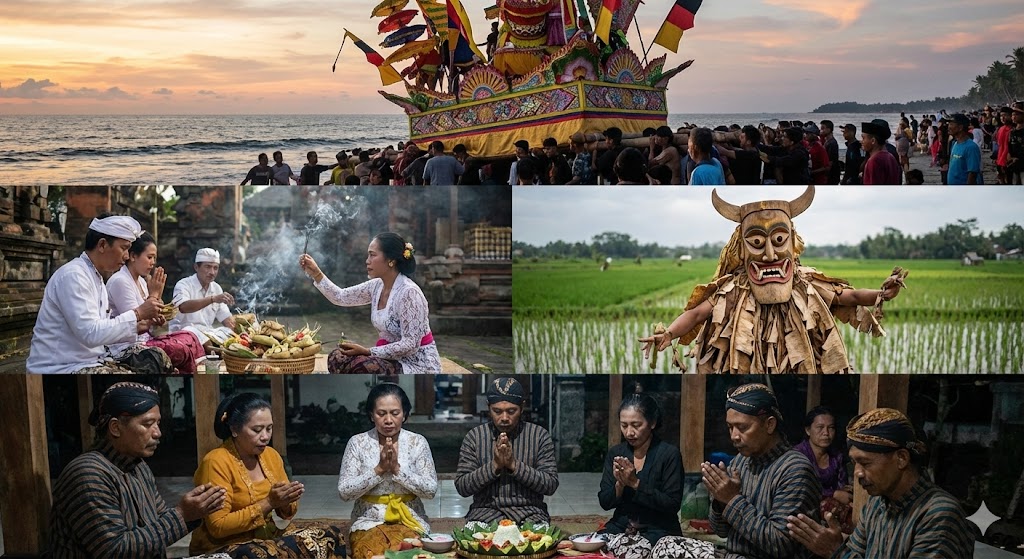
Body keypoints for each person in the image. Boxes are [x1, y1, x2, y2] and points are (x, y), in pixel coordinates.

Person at [640, 186, 906, 373]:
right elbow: (698, 314)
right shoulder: (733, 288)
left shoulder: (806, 282)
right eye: (756, 242)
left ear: (792, 242)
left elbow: (851, 296)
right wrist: (670, 333)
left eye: (779, 240)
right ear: (741, 249)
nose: (769, 255)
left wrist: (881, 294)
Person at [49, 382, 226, 558]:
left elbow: (160, 523)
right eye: (148, 424)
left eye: (157, 423)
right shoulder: (88, 474)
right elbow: (115, 551)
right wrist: (182, 514)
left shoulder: (139, 467)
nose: (157, 433)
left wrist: (197, 510)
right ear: (115, 428)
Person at [651, 383, 821, 559]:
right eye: (730, 427)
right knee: (666, 545)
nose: (734, 436)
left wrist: (731, 499)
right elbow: (721, 531)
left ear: (770, 425)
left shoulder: (795, 469)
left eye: (743, 427)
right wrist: (719, 500)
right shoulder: (741, 461)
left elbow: (780, 545)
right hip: (732, 555)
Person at [787, 408, 974, 559]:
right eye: (854, 464)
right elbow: (855, 552)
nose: (858, 473)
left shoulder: (938, 514)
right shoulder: (876, 506)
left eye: (866, 463)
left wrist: (835, 552)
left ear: (901, 458)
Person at [191, 393, 346, 557]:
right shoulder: (216, 462)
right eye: (256, 430)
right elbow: (218, 527)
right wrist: (269, 502)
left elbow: (287, 514)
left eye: (269, 428)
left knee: (329, 534)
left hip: (266, 540)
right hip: (226, 547)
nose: (265, 437)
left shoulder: (271, 455)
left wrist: (285, 501)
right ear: (234, 429)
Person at [27, 214, 167, 373]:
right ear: (102, 245)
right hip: (59, 366)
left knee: (159, 359)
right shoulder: (74, 275)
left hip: (90, 360)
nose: (127, 256)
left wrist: (142, 324)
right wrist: (138, 314)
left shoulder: (97, 278)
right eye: (124, 248)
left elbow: (102, 330)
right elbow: (90, 334)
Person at [299, 232, 441, 374]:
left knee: (360, 366)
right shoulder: (376, 286)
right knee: (337, 357)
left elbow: (411, 345)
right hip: (389, 358)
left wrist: (368, 351)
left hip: (418, 364)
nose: (367, 261)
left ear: (390, 260)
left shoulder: (409, 293)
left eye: (372, 255)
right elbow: (341, 297)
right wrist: (316, 273)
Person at [338, 383, 438, 559]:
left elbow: (430, 490)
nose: (388, 420)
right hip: (368, 522)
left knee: (412, 554)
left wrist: (397, 470)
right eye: (381, 413)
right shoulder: (357, 443)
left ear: (405, 414)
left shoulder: (418, 442)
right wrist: (379, 470)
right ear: (371, 415)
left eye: (395, 413)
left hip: (410, 520)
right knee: (373, 554)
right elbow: (345, 492)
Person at [455, 377, 559, 523]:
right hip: (484, 514)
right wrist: (494, 466)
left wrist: (513, 465)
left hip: (531, 513)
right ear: (488, 407)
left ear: (522, 407)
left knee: (540, 542)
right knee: (475, 541)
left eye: (511, 411)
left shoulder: (539, 435)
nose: (504, 418)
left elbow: (550, 485)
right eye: (497, 411)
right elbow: (462, 487)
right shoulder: (475, 437)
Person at [598, 393, 687, 559]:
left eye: (636, 425)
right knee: (588, 547)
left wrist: (635, 483)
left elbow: (672, 504)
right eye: (624, 425)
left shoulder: (669, 454)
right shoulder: (617, 453)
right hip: (621, 528)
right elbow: (604, 501)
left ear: (652, 423)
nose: (629, 432)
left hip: (659, 531)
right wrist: (620, 485)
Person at [106, 232, 205, 373]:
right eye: (149, 257)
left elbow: (151, 320)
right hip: (127, 348)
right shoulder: (120, 281)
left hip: (147, 340)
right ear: (133, 256)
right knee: (181, 349)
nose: (153, 263)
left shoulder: (141, 280)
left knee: (191, 336)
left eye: (154, 258)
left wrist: (159, 314)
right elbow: (135, 324)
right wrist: (154, 295)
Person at [793, 407, 854, 534]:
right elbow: (800, 489)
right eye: (820, 427)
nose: (826, 433)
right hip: (802, 506)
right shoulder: (798, 456)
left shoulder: (836, 456)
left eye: (831, 428)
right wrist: (833, 494)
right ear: (808, 430)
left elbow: (842, 488)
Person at [168, 248, 236, 347]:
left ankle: (213, 348)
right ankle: (214, 349)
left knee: (228, 333)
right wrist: (212, 299)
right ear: (196, 267)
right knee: (191, 331)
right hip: (184, 334)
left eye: (215, 268)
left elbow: (227, 319)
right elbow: (183, 307)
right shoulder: (183, 284)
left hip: (207, 334)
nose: (212, 272)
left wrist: (240, 331)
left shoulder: (216, 288)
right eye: (207, 267)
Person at [860, 120, 902, 185]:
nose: (861, 141)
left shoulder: (874, 161)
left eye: (863, 138)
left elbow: (874, 190)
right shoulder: (890, 157)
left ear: (873, 141)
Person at [947, 113, 982, 185]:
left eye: (951, 124)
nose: (949, 127)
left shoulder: (971, 147)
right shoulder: (955, 144)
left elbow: (972, 173)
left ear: (960, 127)